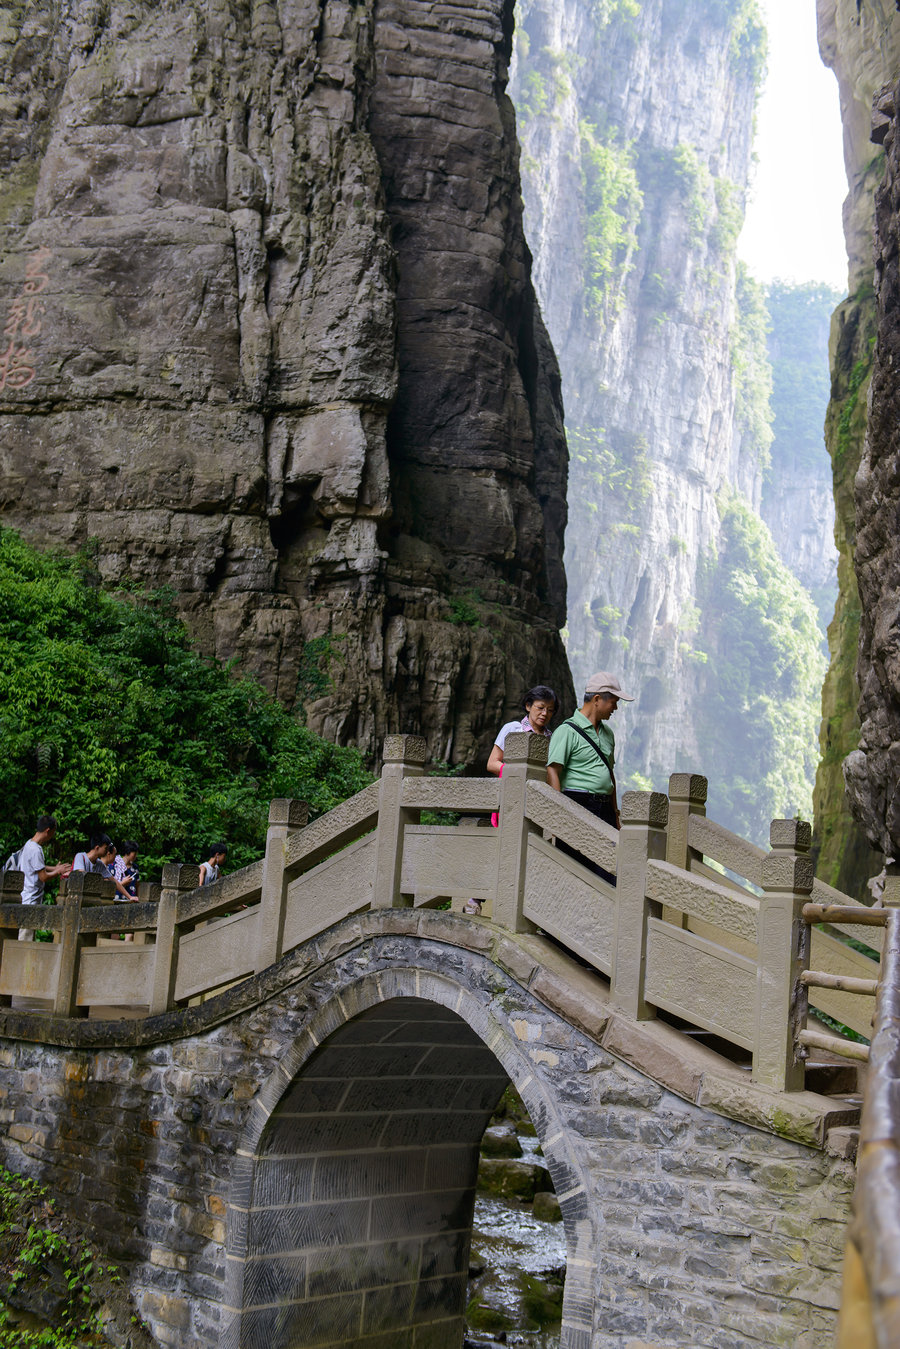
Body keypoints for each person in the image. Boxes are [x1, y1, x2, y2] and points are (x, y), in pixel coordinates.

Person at [463, 686, 558, 915]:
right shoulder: (513, 729)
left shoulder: (550, 738)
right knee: (503, 849)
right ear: (528, 706)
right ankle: (475, 899)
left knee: (529, 854)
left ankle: (522, 908)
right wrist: (515, 773)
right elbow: (492, 763)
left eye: (550, 710)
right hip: (510, 801)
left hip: (536, 804)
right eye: (540, 707)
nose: (544, 713)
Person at [546, 671, 634, 881]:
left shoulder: (608, 734)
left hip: (605, 807)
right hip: (578, 802)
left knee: (610, 867)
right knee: (578, 865)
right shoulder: (566, 731)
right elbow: (553, 770)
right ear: (597, 699)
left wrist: (615, 813)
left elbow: (609, 773)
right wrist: (560, 811)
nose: (616, 708)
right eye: (613, 702)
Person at [18, 815, 69, 940]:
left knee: (27, 937)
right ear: (48, 830)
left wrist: (55, 868)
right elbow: (43, 877)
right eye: (53, 831)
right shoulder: (36, 850)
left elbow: (37, 866)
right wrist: (58, 872)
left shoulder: (29, 844)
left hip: (26, 897)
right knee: (25, 940)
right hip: (31, 900)